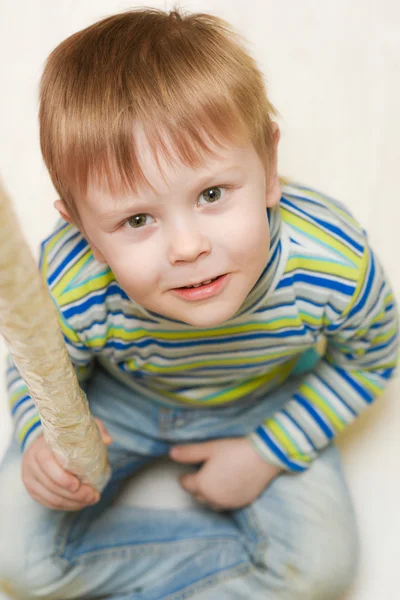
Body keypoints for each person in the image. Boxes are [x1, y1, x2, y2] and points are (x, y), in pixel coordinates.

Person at [0, 7, 398, 600]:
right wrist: (40, 436)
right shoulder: (68, 280)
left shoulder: (330, 262)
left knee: (323, 568)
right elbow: (36, 367)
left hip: (262, 398)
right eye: (136, 219)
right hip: (118, 404)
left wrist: (267, 452)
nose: (188, 248)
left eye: (212, 193)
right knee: (15, 557)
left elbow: (372, 357)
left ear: (267, 167)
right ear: (81, 227)